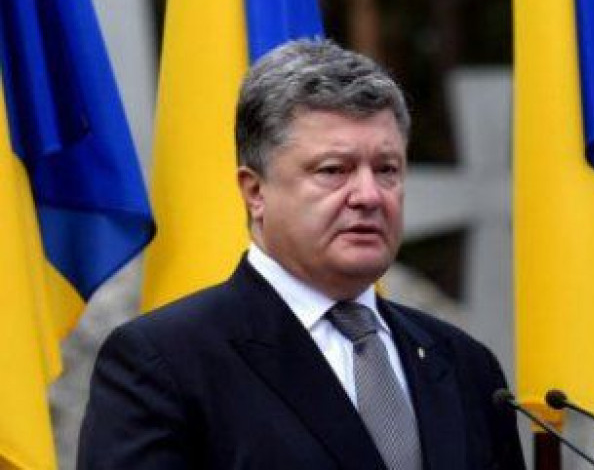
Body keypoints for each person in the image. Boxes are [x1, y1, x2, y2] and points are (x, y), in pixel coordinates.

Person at [77, 39, 524, 469]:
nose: (369, 195)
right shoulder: (165, 363)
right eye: (334, 170)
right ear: (255, 191)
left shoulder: (465, 365)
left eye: (386, 169)